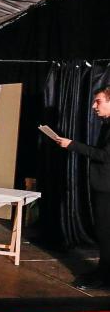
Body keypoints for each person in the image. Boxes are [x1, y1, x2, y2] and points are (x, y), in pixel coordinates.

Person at [55, 86, 110, 289]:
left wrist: (72, 145)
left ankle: (104, 277)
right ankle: (103, 272)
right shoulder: (107, 124)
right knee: (104, 234)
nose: (94, 105)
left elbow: (105, 156)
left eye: (99, 101)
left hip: (107, 189)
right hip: (104, 186)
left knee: (105, 234)